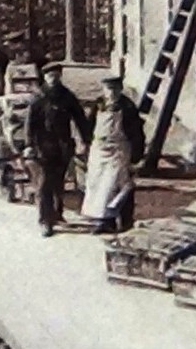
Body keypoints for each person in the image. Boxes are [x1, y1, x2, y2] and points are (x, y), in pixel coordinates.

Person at [26, 62, 92, 237]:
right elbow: (30, 124)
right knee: (44, 184)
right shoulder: (39, 98)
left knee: (59, 182)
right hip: (43, 147)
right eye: (50, 76)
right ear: (45, 78)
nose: (53, 79)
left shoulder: (66, 96)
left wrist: (86, 140)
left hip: (63, 146)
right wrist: (29, 146)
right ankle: (45, 220)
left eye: (56, 75)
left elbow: (79, 118)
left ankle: (57, 213)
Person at [81, 73, 147, 234]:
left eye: (115, 89)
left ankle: (125, 221)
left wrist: (136, 157)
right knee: (99, 187)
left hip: (119, 149)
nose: (112, 93)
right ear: (103, 90)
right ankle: (105, 222)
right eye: (108, 89)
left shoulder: (128, 107)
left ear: (120, 89)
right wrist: (86, 143)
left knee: (119, 185)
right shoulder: (98, 105)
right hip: (99, 149)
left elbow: (137, 133)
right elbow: (88, 126)